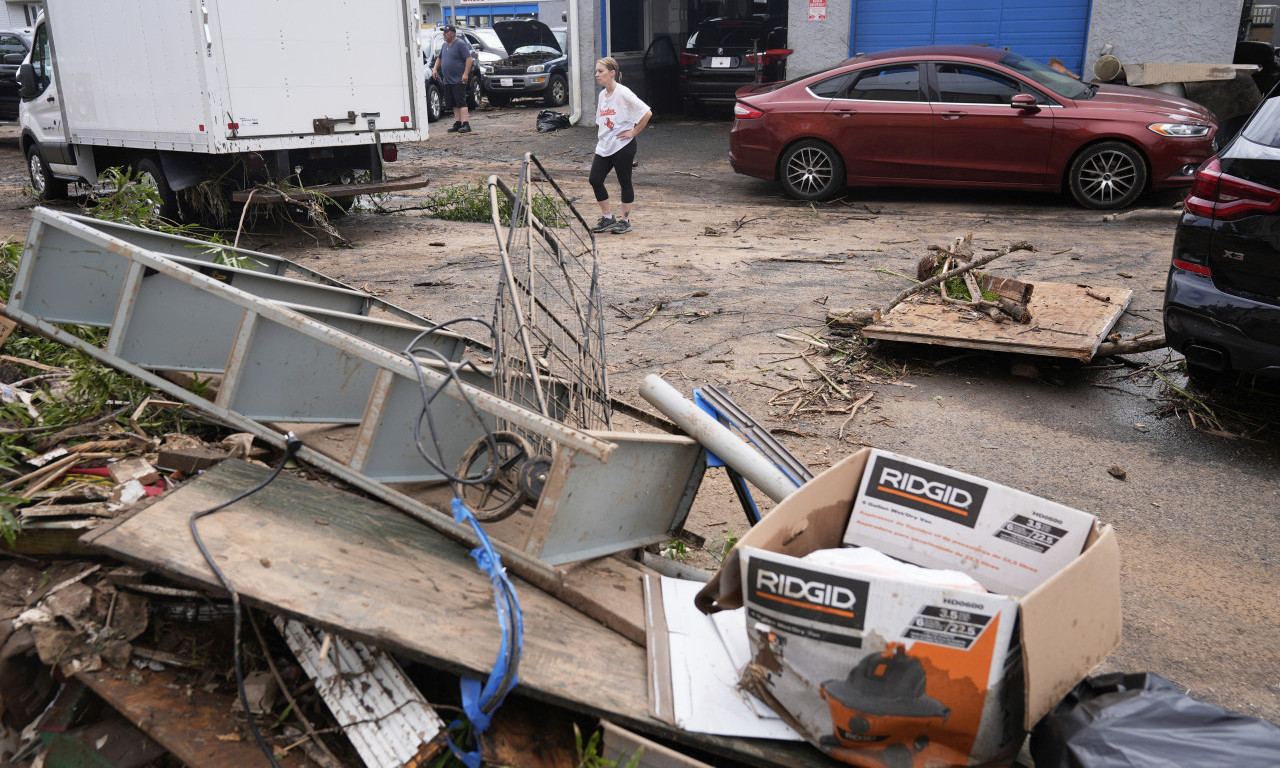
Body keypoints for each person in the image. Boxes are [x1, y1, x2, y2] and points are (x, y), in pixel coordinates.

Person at [589, 57, 652, 235]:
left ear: (612, 73)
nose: (597, 75)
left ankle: (625, 221)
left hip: (623, 146)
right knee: (595, 179)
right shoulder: (602, 95)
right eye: (596, 71)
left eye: (600, 71)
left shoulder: (623, 93)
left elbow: (647, 112)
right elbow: (602, 121)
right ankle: (608, 218)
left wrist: (634, 132)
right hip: (605, 146)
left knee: (624, 182)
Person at [431, 26, 474, 134]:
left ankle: (466, 124)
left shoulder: (460, 44)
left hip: (458, 79)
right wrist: (435, 69)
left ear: (453, 33)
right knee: (454, 103)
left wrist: (465, 74)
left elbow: (469, 59)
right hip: (447, 80)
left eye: (446, 32)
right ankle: (458, 123)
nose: (444, 34)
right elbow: (439, 58)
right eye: (444, 32)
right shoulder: (444, 45)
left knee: (461, 101)